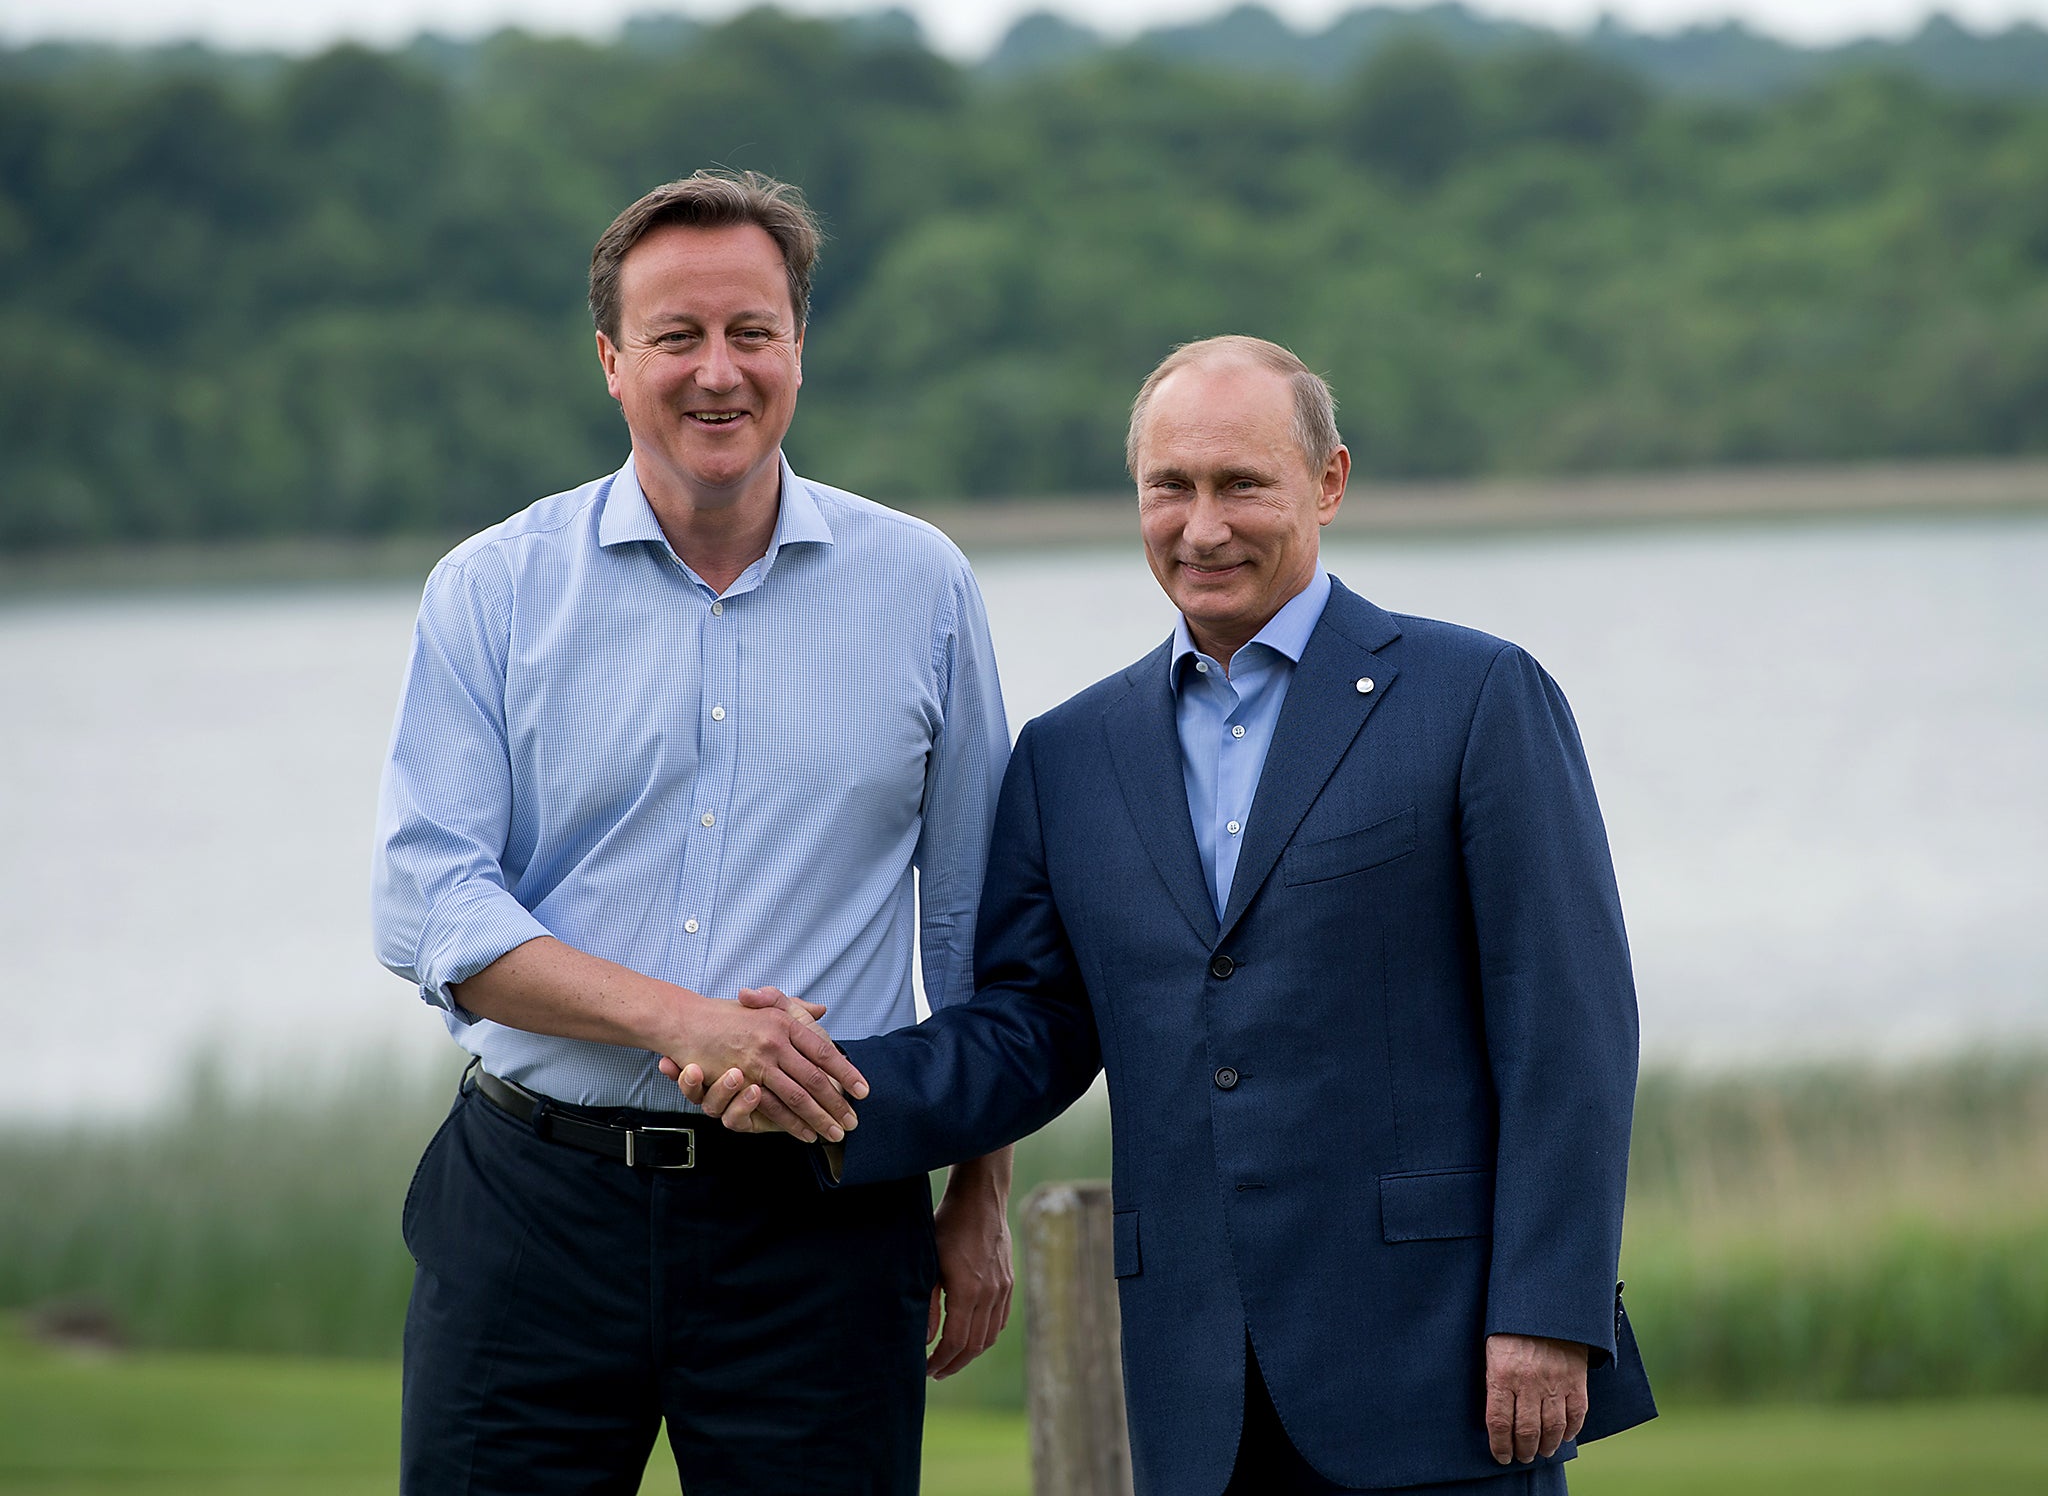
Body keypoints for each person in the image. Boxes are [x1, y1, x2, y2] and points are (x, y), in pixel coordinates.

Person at [682, 336, 1657, 1493]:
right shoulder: (1067, 757)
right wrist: (824, 1083)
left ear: (1328, 483)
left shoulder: (1475, 698)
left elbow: (1569, 1030)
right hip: (1195, 1386)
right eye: (1170, 488)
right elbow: (1029, 1031)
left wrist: (1547, 1310)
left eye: (1241, 484)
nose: (1202, 527)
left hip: (1438, 1359)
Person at [370, 170, 1017, 1496]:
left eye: (752, 333)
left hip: (821, 1227)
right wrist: (694, 1024)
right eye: (676, 338)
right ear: (612, 361)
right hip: (533, 1211)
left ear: (798, 348)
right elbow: (434, 909)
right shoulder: (491, 591)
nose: (717, 374)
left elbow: (970, 929)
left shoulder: (925, 589)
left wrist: (979, 1197)